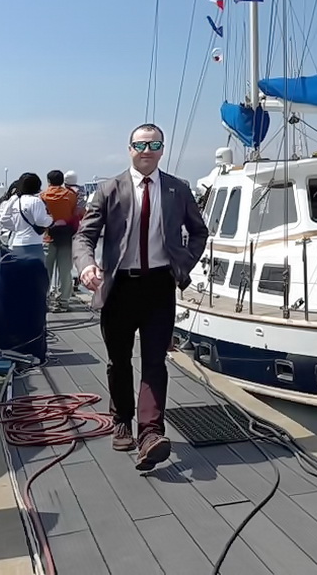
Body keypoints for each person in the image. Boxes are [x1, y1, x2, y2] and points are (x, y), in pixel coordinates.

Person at [73, 123, 209, 470]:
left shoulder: (178, 189)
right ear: (129, 148)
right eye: (140, 145)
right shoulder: (109, 189)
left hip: (159, 286)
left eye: (154, 145)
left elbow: (199, 232)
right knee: (119, 360)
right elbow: (84, 236)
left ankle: (151, 433)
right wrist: (87, 266)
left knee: (154, 361)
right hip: (119, 287)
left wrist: (184, 263)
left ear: (162, 149)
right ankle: (121, 418)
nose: (147, 151)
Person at [40, 170, 80, 312]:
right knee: (65, 271)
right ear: (62, 181)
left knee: (46, 271)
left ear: (48, 181)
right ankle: (63, 302)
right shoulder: (70, 196)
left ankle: (44, 300)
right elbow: (77, 214)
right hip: (66, 237)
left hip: (48, 237)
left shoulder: (43, 196)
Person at [0, 173, 53, 260]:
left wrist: (16, 227)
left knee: (19, 268)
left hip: (16, 243)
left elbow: (3, 219)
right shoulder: (36, 201)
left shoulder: (15, 200)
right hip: (33, 243)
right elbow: (40, 221)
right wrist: (50, 220)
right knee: (36, 268)